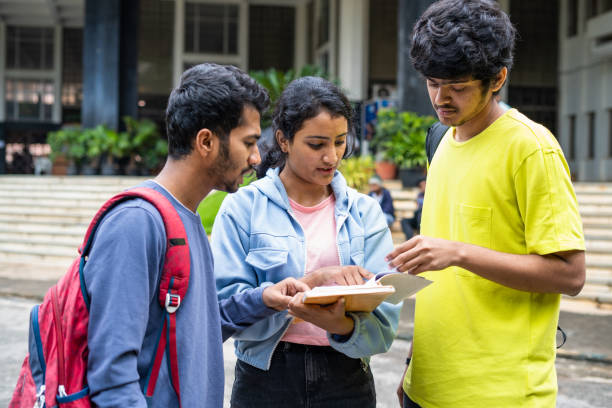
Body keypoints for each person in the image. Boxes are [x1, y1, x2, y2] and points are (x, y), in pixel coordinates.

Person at [386, 1, 586, 407]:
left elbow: (570, 274)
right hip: (427, 386)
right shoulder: (441, 142)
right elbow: (441, 282)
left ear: (498, 79)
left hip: (500, 394)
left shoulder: (531, 149)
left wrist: (458, 253)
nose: (441, 98)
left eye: (457, 87)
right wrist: (412, 365)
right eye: (432, 83)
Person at [82, 63, 309, 407]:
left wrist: (263, 299)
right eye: (248, 142)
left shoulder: (186, 218)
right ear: (206, 141)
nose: (256, 156)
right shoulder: (136, 223)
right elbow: (112, 375)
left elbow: (196, 331)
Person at [211, 76, 401, 407]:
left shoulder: (365, 213)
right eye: (317, 145)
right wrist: (296, 299)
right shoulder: (243, 208)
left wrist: (341, 326)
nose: (331, 157)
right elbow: (223, 310)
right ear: (283, 140)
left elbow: (385, 324)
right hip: (267, 377)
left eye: (340, 142)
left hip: (346, 378)